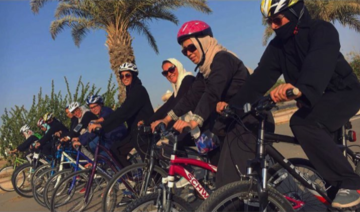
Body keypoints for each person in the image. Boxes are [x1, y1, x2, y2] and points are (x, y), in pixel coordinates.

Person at [218, 0, 360, 208]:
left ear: (296, 14)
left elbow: (317, 61)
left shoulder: (321, 30)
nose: (273, 26)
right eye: (270, 22)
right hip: (314, 102)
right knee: (319, 145)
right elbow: (259, 79)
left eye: (277, 20)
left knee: (302, 124)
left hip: (343, 93)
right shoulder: (277, 47)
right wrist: (234, 106)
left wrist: (300, 87)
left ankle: (352, 183)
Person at [150, 20, 254, 187]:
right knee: (219, 168)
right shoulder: (204, 71)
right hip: (229, 123)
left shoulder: (222, 60)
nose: (189, 53)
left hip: (248, 121)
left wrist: (193, 121)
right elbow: (190, 97)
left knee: (229, 182)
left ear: (204, 41)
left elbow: (212, 92)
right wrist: (166, 120)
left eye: (191, 48)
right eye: (185, 52)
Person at [89, 62, 154, 168]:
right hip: (134, 131)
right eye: (122, 76)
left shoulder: (138, 90)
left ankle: (157, 182)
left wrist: (103, 125)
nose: (124, 78)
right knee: (115, 151)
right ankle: (133, 177)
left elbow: (124, 112)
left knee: (150, 164)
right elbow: (119, 111)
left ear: (133, 75)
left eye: (127, 75)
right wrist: (101, 121)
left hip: (143, 131)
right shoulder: (130, 91)